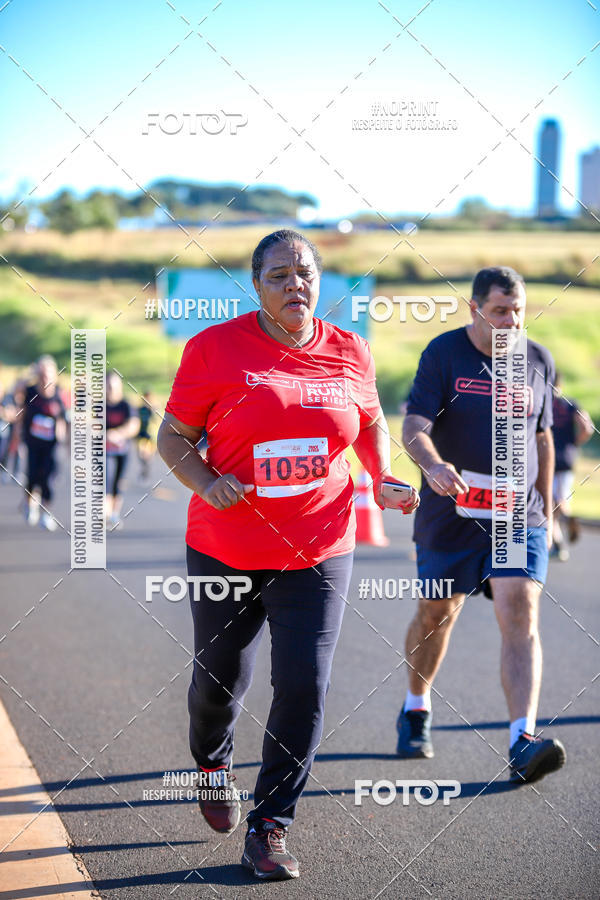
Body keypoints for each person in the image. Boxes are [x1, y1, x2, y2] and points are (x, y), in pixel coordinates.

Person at [158, 229, 419, 881]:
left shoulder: (349, 350)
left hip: (319, 544)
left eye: (304, 273)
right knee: (221, 678)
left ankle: (270, 825)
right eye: (278, 275)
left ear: (320, 281)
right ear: (256, 286)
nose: (293, 285)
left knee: (305, 682)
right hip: (226, 546)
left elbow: (368, 422)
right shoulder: (213, 349)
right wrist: (206, 482)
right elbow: (173, 436)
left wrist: (381, 474)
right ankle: (213, 762)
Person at [397, 266, 566, 785]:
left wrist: (548, 504)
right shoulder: (443, 354)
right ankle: (416, 706)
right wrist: (432, 465)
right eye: (499, 311)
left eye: (518, 310)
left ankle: (522, 738)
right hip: (451, 512)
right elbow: (413, 425)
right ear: (474, 309)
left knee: (520, 606)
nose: (512, 321)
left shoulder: (537, 359)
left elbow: (543, 436)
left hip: (517, 514)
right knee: (436, 614)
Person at [550, 372, 594, 561]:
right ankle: (567, 518)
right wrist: (574, 443)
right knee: (560, 498)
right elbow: (587, 428)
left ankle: (558, 543)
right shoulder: (571, 404)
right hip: (567, 458)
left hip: (548, 458)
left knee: (549, 505)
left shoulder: (543, 404)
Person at [21, 356, 66, 530]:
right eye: (42, 374)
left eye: (49, 374)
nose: (46, 378)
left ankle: (47, 514)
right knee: (32, 476)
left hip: (51, 445)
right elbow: (21, 414)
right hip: (32, 443)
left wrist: (65, 443)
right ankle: (29, 504)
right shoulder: (30, 391)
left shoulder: (59, 394)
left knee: (47, 478)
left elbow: (63, 418)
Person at [105, 372, 140, 528]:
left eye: (114, 386)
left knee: (118, 483)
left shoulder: (126, 405)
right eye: (108, 386)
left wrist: (119, 433)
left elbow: (134, 425)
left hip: (121, 451)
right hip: (103, 451)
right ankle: (103, 512)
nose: (111, 389)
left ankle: (114, 514)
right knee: (105, 479)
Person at [136, 390, 155, 483]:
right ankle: (143, 471)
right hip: (140, 434)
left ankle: (145, 473)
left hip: (149, 436)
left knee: (147, 456)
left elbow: (156, 422)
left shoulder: (151, 409)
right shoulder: (140, 409)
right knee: (141, 454)